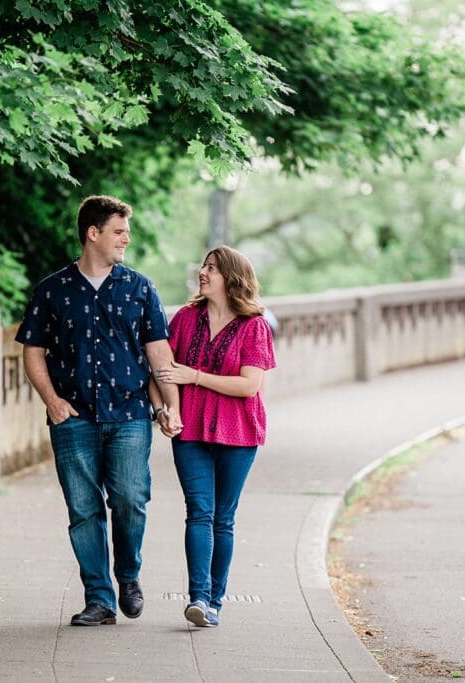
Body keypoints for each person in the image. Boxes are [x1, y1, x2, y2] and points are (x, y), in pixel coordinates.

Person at [16, 195, 182, 627]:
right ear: (94, 233)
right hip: (73, 420)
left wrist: (169, 407)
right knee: (83, 510)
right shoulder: (52, 290)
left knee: (131, 498)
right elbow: (32, 351)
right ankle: (99, 599)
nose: (126, 239)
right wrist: (52, 403)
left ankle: (128, 576)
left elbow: (159, 356)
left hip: (129, 414)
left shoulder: (140, 288)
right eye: (119, 231)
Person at [152, 245, 276, 628]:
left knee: (223, 518)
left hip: (239, 432)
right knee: (199, 513)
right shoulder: (186, 319)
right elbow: (158, 370)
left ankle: (216, 601)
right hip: (189, 429)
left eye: (212, 269)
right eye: (204, 267)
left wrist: (196, 377)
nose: (203, 274)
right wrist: (161, 410)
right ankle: (198, 598)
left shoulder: (254, 325)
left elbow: (249, 385)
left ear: (232, 279)